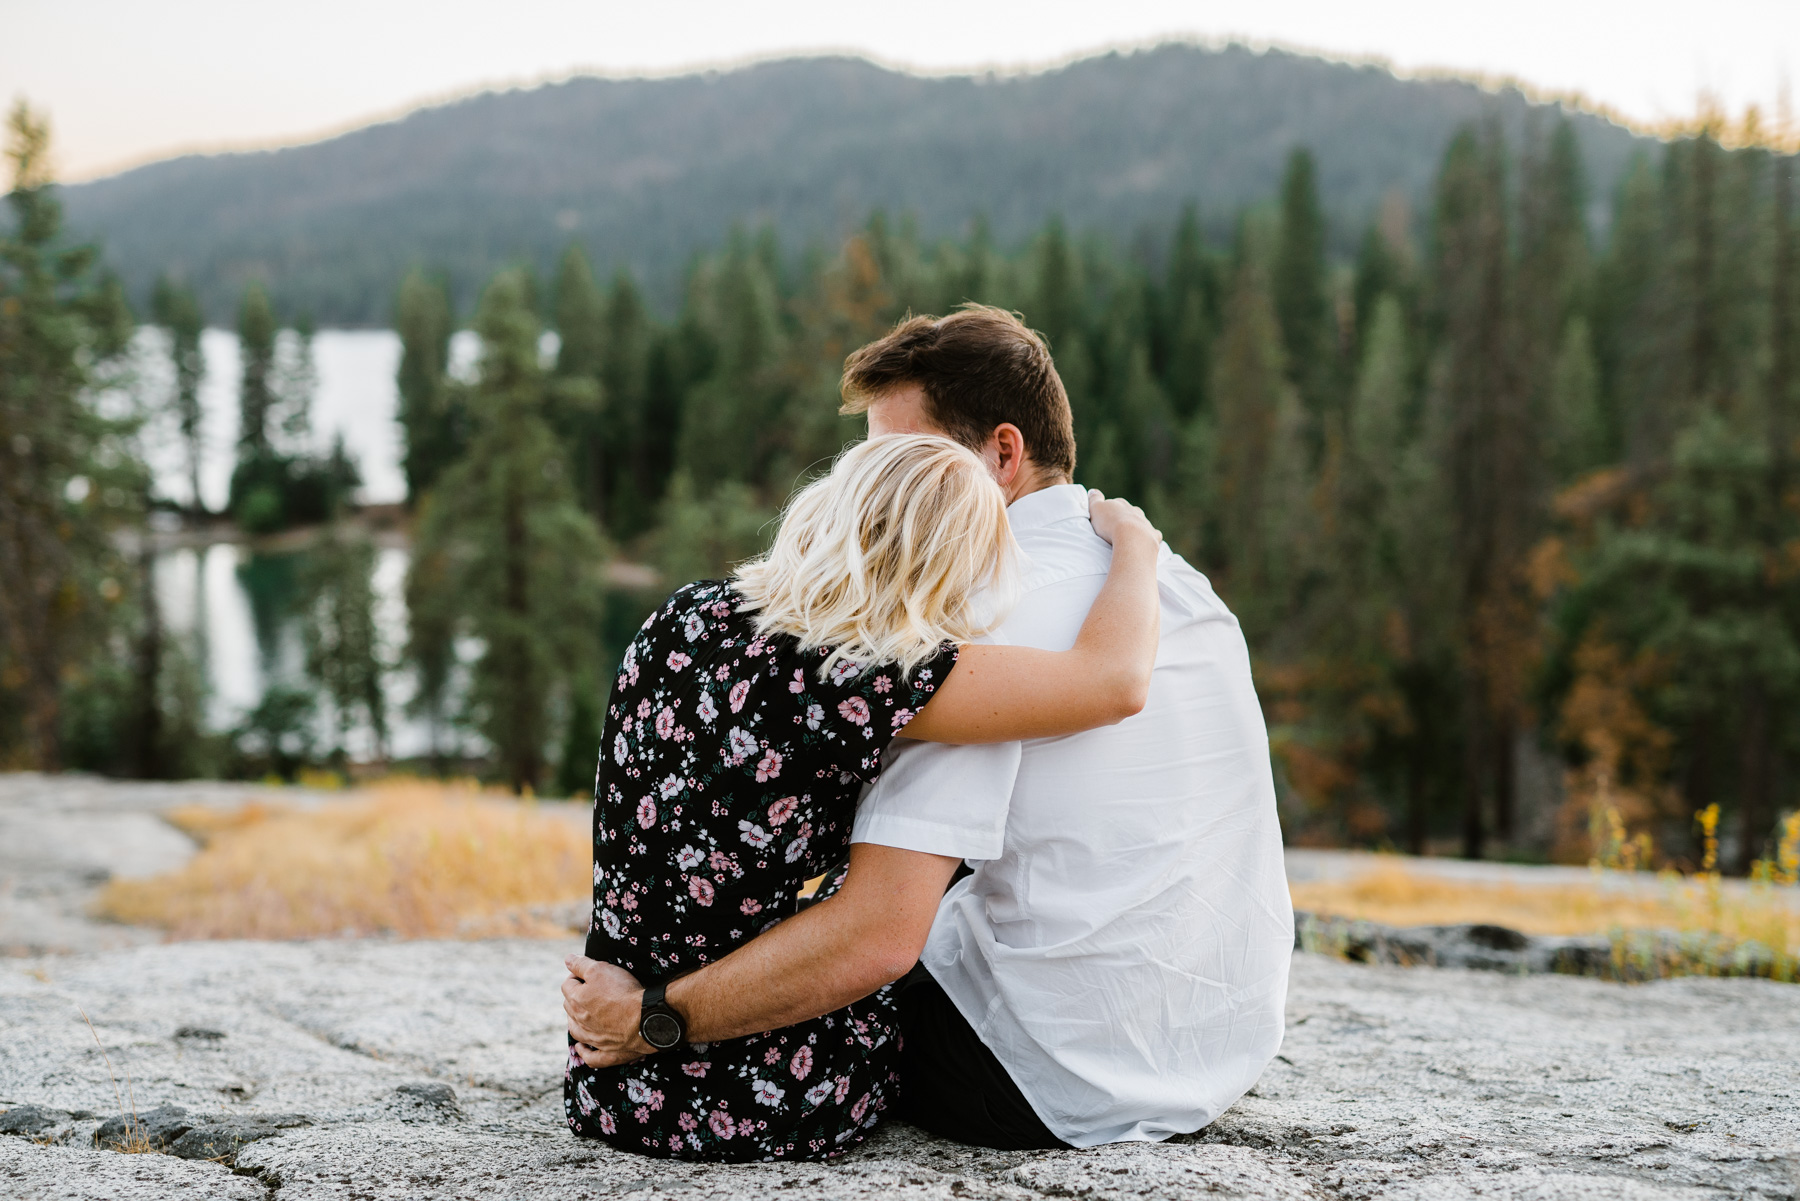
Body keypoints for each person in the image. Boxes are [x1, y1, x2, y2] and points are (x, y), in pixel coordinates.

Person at [564, 305, 1292, 1153]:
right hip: (1224, 1043)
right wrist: (1135, 545)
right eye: (870, 465)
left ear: (1004, 453)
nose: (878, 486)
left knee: (844, 933)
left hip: (1054, 1078)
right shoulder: (1177, 582)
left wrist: (652, 1017)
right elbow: (1112, 682)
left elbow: (878, 934)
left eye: (903, 459)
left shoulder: (961, 625)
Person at [563, 430, 1166, 1161]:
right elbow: (1114, 681)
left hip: (608, 1077)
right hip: (753, 1094)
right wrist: (1136, 544)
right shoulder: (878, 676)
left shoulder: (685, 613)